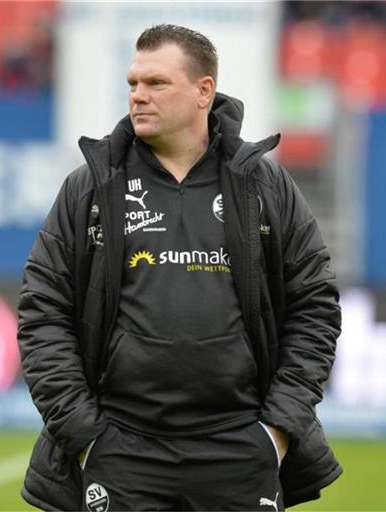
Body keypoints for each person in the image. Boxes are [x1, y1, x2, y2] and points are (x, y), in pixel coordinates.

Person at [17, 24, 342, 512]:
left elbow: (314, 307)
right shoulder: (90, 188)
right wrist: (85, 438)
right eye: (133, 84)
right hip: (121, 449)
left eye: (156, 83)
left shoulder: (265, 187)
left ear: (203, 91)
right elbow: (43, 313)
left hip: (238, 448)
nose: (137, 96)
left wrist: (276, 432)